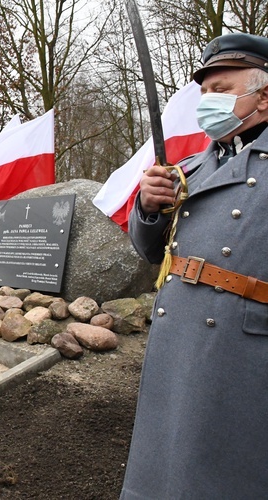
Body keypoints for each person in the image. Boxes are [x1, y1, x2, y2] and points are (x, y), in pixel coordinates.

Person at [122, 33, 268, 498]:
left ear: (263, 95)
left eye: (221, 90)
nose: (207, 101)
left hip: (241, 350)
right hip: (176, 341)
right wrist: (147, 207)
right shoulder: (190, 168)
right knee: (165, 470)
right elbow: (150, 251)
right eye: (204, 92)